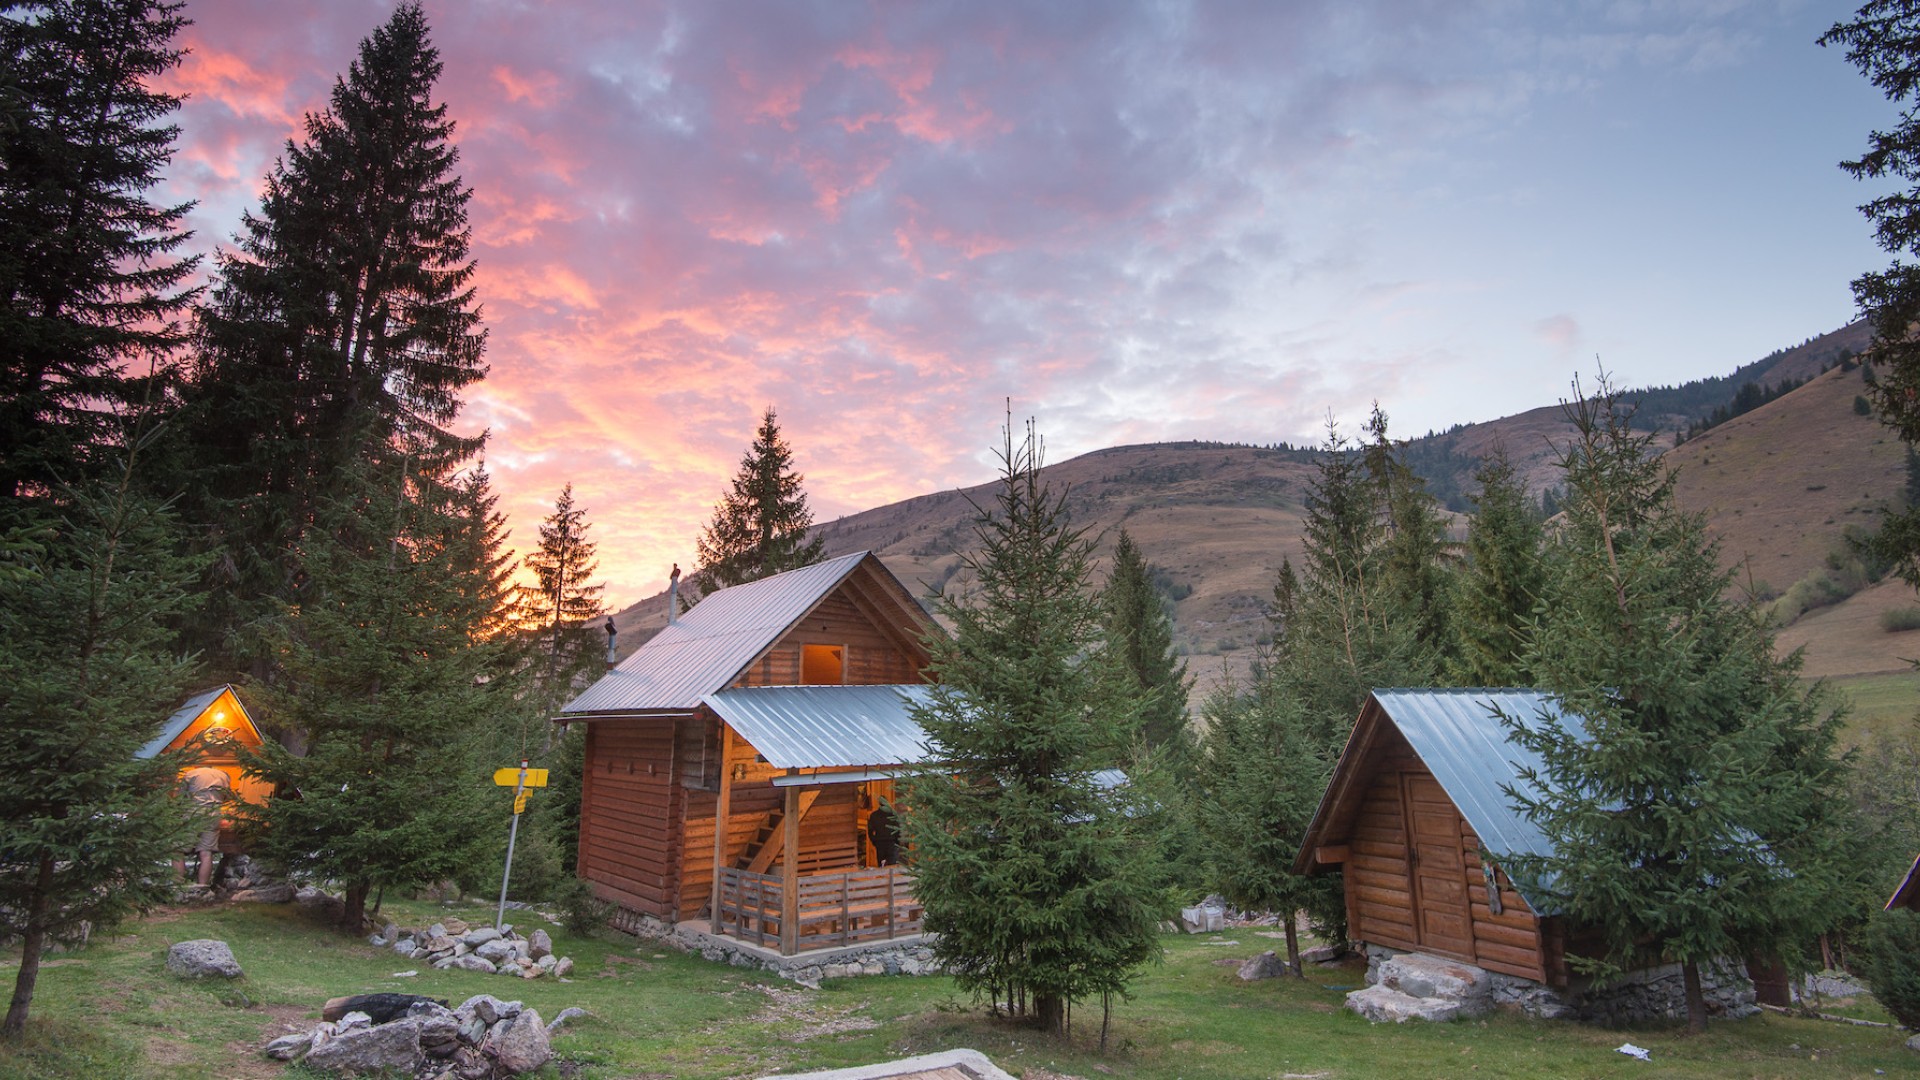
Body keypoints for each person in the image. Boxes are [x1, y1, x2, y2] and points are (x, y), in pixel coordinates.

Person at [177, 766, 232, 886]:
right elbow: (227, 797)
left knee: (178, 851)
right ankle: (202, 887)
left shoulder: (190, 774)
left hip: (193, 814)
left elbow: (180, 797)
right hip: (214, 815)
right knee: (206, 853)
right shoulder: (224, 775)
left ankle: (178, 886)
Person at [867, 799, 899, 867]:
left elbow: (870, 831)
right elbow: (897, 829)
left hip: (880, 842)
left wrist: (874, 841)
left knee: (881, 865)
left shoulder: (874, 815)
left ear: (879, 804)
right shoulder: (893, 815)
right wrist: (897, 841)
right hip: (891, 842)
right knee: (891, 865)